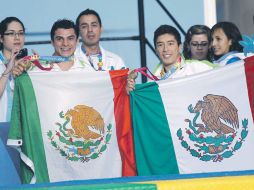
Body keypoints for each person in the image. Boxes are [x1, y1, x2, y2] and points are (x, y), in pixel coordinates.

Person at [126, 25, 216, 93]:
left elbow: (225, 77)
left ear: (180, 47)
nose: (165, 49)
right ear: (156, 50)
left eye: (170, 44)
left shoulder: (199, 68)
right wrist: (131, 90)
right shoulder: (152, 81)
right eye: (160, 45)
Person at [0, 17, 25, 122]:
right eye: (11, 33)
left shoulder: (29, 64)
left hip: (22, 130)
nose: (17, 37)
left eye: (21, 33)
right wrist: (7, 72)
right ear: (1, 38)